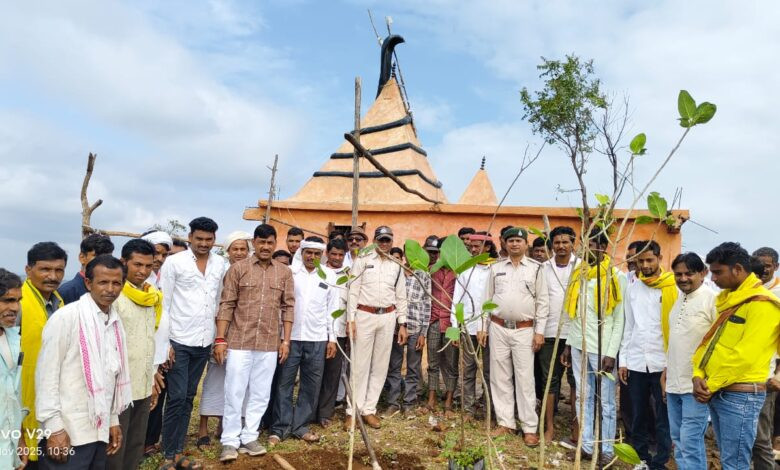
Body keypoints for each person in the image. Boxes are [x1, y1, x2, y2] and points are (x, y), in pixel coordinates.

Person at [36, 255, 132, 469]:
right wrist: (54, 428)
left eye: (116, 283)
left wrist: (113, 420)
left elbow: (111, 375)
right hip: (68, 431)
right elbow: (46, 377)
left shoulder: (114, 322)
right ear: (88, 283)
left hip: (99, 430)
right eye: (103, 282)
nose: (110, 289)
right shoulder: (66, 318)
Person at [692, 242, 780, 470]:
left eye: (718, 272)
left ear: (738, 269)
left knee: (736, 463)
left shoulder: (763, 304)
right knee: (730, 460)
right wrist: (697, 374)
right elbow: (710, 343)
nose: (713, 278)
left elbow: (745, 356)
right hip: (720, 390)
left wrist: (709, 384)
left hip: (740, 395)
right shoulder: (731, 300)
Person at [215, 224, 294, 462]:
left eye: (270, 242)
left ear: (275, 243)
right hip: (239, 340)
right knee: (234, 391)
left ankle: (250, 436)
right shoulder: (238, 269)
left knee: (260, 393)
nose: (266, 247)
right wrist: (220, 339)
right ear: (254, 243)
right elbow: (227, 304)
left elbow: (288, 307)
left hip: (269, 343)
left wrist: (286, 341)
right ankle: (229, 441)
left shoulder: (284, 272)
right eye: (262, 242)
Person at [155, 217, 228, 469]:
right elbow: (163, 304)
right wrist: (165, 343)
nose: (204, 243)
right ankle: (168, 455)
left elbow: (220, 302)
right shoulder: (174, 263)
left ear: (215, 240)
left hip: (203, 340)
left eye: (209, 239)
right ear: (190, 237)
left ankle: (176, 452)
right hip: (178, 340)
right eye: (199, 239)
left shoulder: (221, 264)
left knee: (187, 397)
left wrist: (218, 338)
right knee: (175, 397)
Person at [561, 230, 625, 460]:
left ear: (605, 247)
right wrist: (568, 344)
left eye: (596, 245)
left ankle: (606, 449)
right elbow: (574, 313)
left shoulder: (616, 276)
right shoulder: (579, 274)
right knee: (583, 397)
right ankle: (587, 447)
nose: (591, 250)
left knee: (606, 401)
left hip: (602, 348)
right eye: (587, 245)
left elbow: (619, 319)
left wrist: (611, 353)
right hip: (579, 343)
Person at [269, 237, 338, 445]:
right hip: (290, 338)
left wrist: (332, 339)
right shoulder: (289, 273)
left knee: (311, 385)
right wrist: (281, 337)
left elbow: (333, 311)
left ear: (322, 255)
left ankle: (300, 426)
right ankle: (279, 428)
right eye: (309, 252)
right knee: (284, 383)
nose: (312, 257)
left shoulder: (330, 276)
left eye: (317, 254)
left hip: (317, 339)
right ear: (301, 252)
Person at [485, 227, 549, 445]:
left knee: (525, 378)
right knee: (499, 376)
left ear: (525, 244)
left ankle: (529, 427)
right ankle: (505, 422)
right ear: (504, 243)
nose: (514, 244)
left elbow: (542, 302)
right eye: (510, 241)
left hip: (525, 330)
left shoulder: (537, 269)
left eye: (518, 241)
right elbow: (488, 299)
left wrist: (539, 332)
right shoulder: (495, 268)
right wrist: (483, 327)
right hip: (498, 327)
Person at [106, 240, 162, 470]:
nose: (143, 271)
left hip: (142, 383)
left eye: (148, 266)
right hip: (117, 387)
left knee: (135, 443)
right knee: (115, 445)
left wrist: (151, 379)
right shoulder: (113, 297)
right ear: (123, 262)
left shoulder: (150, 296)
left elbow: (150, 340)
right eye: (137, 264)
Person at [345, 226, 408, 430]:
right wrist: (350, 319)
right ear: (374, 241)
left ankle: (369, 410)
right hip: (364, 315)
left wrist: (402, 324)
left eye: (387, 240)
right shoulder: (362, 261)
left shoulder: (396, 265)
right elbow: (352, 291)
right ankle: (352, 411)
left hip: (388, 316)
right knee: (359, 365)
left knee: (380, 366)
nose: (384, 244)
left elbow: (401, 296)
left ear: (392, 242)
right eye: (380, 240)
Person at [619, 240, 674, 469]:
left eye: (649, 259)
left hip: (663, 362)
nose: (645, 264)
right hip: (637, 362)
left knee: (663, 416)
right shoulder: (633, 287)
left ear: (660, 259)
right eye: (640, 261)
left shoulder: (673, 287)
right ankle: (640, 458)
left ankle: (661, 461)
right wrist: (624, 360)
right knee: (638, 414)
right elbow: (628, 325)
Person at [197, 231, 253, 448]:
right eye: (235, 249)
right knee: (214, 379)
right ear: (228, 251)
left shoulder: (251, 272)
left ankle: (223, 426)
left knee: (236, 382)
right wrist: (219, 335)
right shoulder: (218, 272)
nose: (239, 253)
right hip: (219, 332)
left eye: (243, 249)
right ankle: (203, 428)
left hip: (242, 335)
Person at [662, 252, 716, 470]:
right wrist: (666, 372)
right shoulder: (679, 298)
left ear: (702, 273)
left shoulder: (712, 300)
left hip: (696, 385)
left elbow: (717, 343)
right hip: (674, 381)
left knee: (690, 440)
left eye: (688, 274)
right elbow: (676, 340)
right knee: (678, 439)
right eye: (678, 274)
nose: (683, 278)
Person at [20, 242, 67, 463]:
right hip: (19, 399)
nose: (52, 276)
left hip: (48, 399)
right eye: (45, 269)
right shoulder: (16, 303)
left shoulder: (59, 303)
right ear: (28, 270)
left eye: (59, 270)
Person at [536, 226, 578, 443]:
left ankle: (576, 428)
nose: (561, 246)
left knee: (575, 382)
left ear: (573, 243)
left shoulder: (582, 267)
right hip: (551, 332)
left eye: (565, 242)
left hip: (576, 334)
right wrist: (539, 332)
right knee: (549, 382)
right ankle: (549, 427)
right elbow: (541, 302)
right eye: (557, 242)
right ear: (551, 245)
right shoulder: (544, 268)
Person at [451, 232, 496, 419]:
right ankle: (468, 409)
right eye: (472, 245)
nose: (474, 249)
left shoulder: (496, 268)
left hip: (490, 329)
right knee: (468, 370)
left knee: (489, 371)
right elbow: (456, 298)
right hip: (467, 328)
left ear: (487, 248)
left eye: (479, 246)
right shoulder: (465, 270)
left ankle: (489, 408)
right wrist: (455, 327)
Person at [384, 249, 430, 417]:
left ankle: (409, 403)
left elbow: (427, 305)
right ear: (404, 257)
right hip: (396, 328)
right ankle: (393, 403)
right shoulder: (394, 273)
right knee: (394, 366)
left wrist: (423, 332)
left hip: (416, 328)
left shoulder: (423, 275)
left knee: (413, 367)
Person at [751, 246, 780, 470]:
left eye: (767, 266)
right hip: (745, 376)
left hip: (767, 376)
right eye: (757, 265)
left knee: (762, 435)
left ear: (776, 267)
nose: (761, 270)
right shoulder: (749, 292)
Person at [316, 238, 350, 426]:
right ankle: (310, 410)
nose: (337, 258)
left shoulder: (349, 275)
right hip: (318, 330)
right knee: (315, 373)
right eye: (333, 254)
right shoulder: (319, 273)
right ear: (327, 254)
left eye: (340, 255)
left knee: (333, 373)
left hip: (339, 331)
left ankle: (325, 414)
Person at [425, 236, 459, 417]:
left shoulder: (459, 272)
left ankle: (449, 401)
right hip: (434, 321)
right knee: (433, 362)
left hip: (452, 323)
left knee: (451, 364)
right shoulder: (431, 270)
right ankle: (431, 398)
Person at [0, 269, 23, 470]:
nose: (15, 308)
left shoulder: (14, 339)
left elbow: (14, 398)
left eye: (17, 300)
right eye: (7, 300)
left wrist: (20, 440)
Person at [58, 234, 114, 305]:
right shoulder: (67, 292)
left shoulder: (112, 291)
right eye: (97, 256)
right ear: (82, 258)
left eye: (107, 257)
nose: (103, 261)